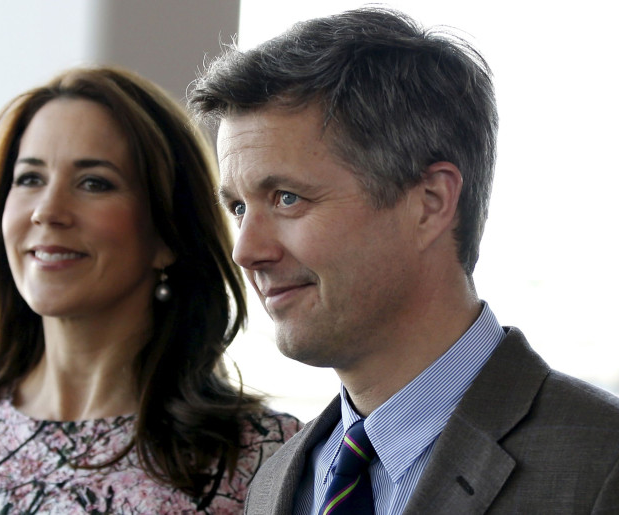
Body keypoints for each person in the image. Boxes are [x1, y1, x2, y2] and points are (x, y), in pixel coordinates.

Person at [189, 7, 619, 514]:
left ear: (431, 202)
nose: (246, 250)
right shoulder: (275, 482)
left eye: (286, 198)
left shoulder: (601, 465)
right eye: (238, 207)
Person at [0, 66, 300, 514]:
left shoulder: (262, 456)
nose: (47, 211)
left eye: (94, 183)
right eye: (30, 178)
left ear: (167, 236)